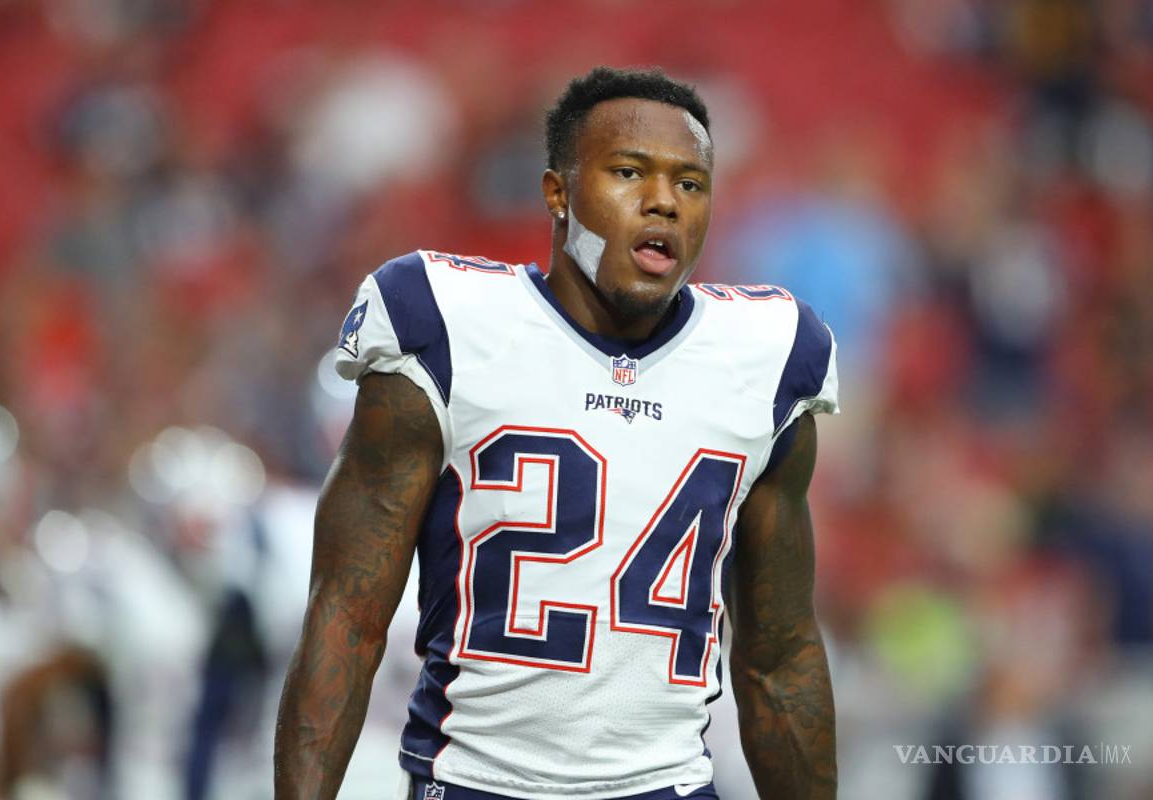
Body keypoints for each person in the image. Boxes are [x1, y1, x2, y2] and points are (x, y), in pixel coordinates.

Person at [275, 66, 840, 800]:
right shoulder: (446, 323)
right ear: (557, 193)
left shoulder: (767, 353)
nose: (664, 201)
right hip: (476, 782)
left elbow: (779, 658)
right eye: (630, 172)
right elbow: (347, 617)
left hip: (665, 785)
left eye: (690, 183)